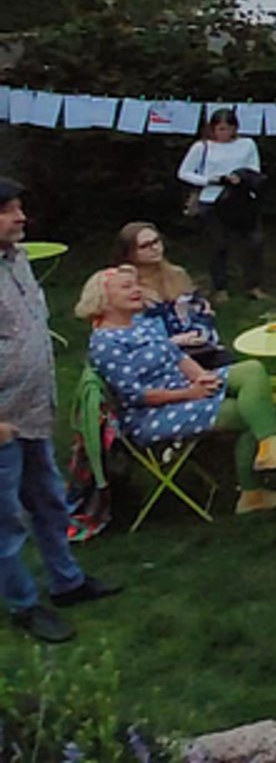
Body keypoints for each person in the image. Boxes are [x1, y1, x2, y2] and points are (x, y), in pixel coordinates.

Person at [0, 177, 119, 644]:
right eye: (8, 210)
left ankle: (66, 582)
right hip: (2, 422)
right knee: (6, 520)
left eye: (19, 207)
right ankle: (23, 605)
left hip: (32, 411)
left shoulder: (17, 260)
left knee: (49, 499)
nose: (21, 217)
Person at [80, 265, 276, 516]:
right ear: (103, 298)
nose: (136, 290)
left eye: (136, 284)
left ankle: (269, 448)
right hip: (153, 413)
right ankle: (252, 493)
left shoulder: (140, 323)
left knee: (251, 370)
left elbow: (177, 356)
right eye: (126, 287)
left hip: (183, 386)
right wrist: (190, 394)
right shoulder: (106, 343)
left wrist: (201, 376)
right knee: (249, 413)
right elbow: (136, 395)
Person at [178, 106, 266, 303]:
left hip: (240, 199)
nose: (224, 133)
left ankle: (253, 285)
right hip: (212, 200)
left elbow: (254, 169)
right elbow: (184, 172)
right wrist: (209, 180)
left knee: (254, 243)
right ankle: (220, 287)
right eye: (220, 129)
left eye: (228, 129)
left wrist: (241, 177)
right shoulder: (202, 147)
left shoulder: (247, 144)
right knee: (218, 245)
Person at [116, 220, 222, 368]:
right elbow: (128, 334)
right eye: (145, 246)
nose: (154, 248)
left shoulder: (178, 274)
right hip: (158, 357)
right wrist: (174, 341)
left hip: (198, 346)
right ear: (129, 253)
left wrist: (199, 332)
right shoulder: (125, 286)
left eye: (156, 241)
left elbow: (201, 310)